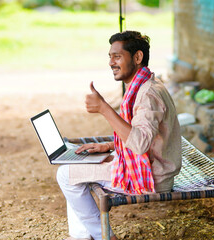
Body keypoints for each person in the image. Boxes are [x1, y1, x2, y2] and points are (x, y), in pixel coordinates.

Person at [56, 30, 181, 240]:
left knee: (66, 175)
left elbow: (140, 143)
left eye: (117, 56)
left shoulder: (148, 93)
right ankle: (81, 236)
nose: (111, 62)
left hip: (152, 176)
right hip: (148, 164)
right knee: (76, 169)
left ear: (137, 57)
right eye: (110, 56)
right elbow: (144, 136)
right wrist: (109, 146)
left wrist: (104, 108)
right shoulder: (145, 84)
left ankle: (104, 237)